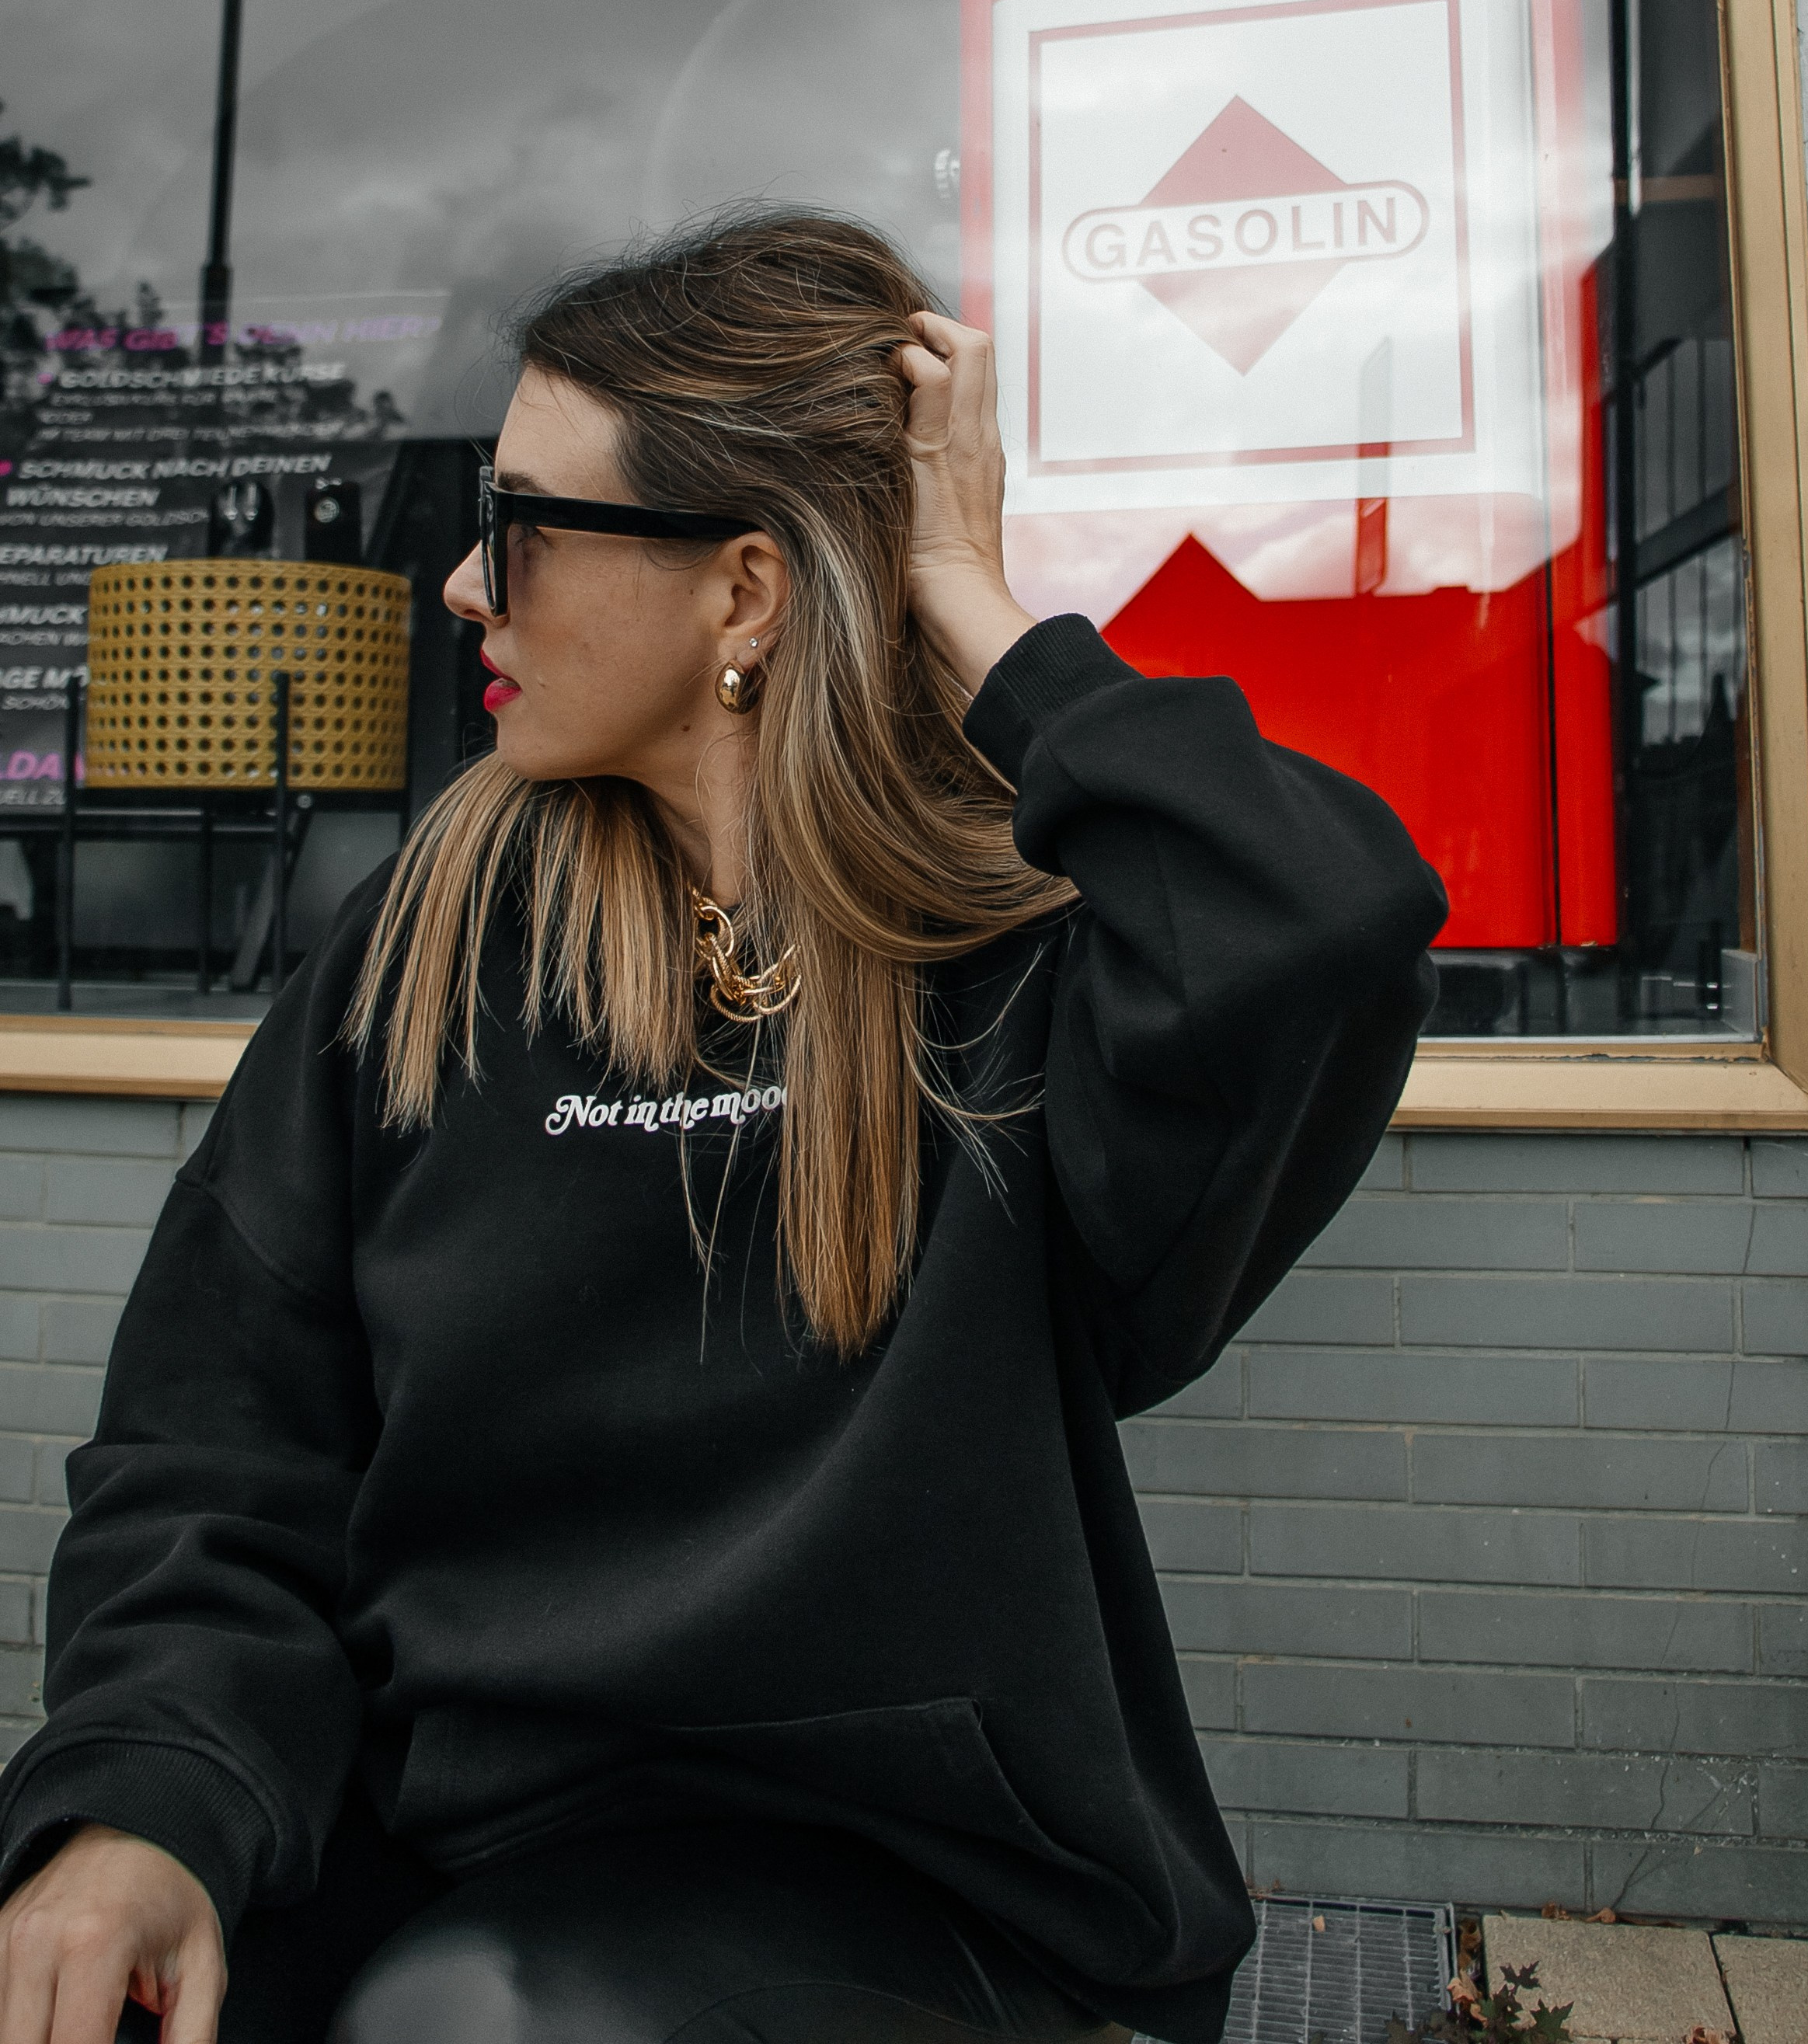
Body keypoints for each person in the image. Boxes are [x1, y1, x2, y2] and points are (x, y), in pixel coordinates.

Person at [0, 210, 1445, 2044]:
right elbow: (219, 1447)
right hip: (447, 1821)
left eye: (521, 524)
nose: (463, 583)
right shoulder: (432, 938)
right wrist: (144, 1800)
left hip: (918, 1890)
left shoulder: (1018, 978)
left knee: (475, 2019)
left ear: (745, 590)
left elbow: (1319, 927)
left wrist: (970, 599)